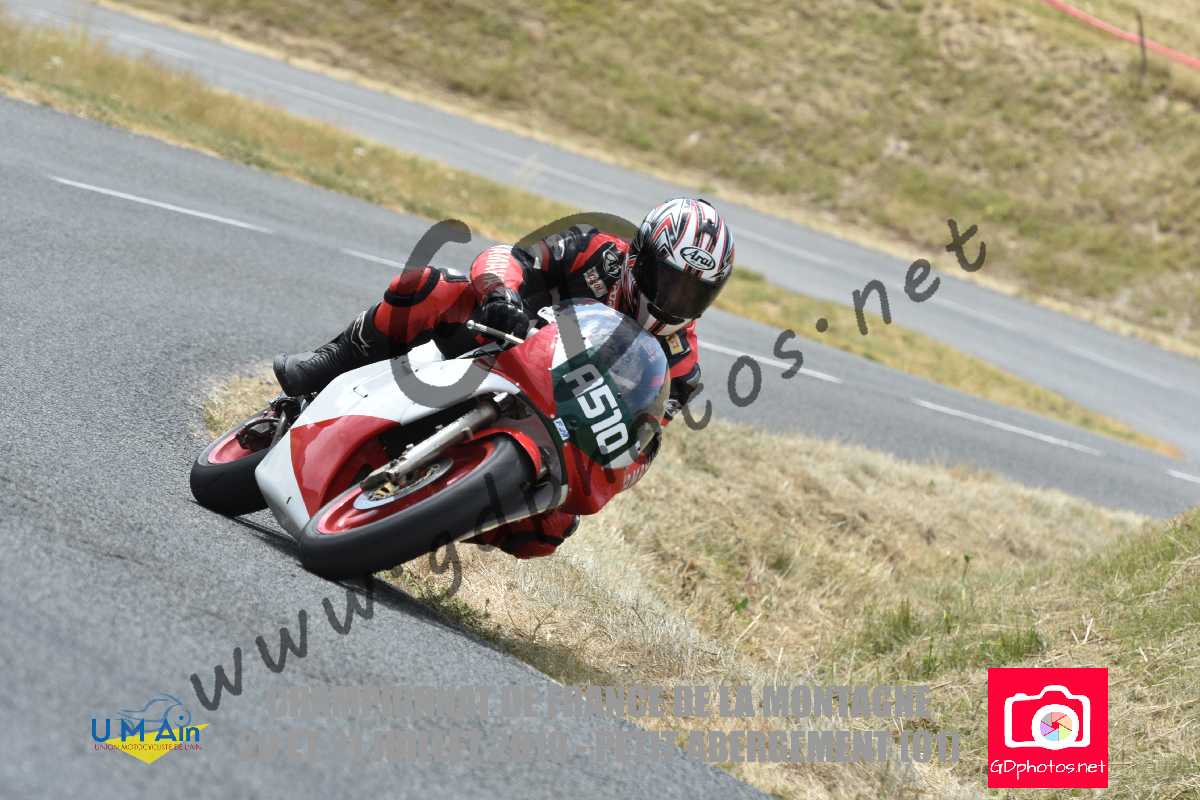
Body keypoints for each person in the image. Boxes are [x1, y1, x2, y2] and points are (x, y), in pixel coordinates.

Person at [274, 198, 735, 558]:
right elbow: (509, 257)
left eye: (694, 293)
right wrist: (501, 294)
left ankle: (423, 517)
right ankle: (331, 359)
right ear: (639, 259)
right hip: (500, 338)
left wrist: (613, 463)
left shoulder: (683, 368)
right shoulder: (593, 250)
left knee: (550, 530)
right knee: (436, 287)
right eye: (669, 280)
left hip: (558, 419)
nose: (675, 300)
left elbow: (639, 444)